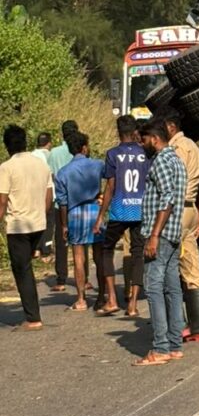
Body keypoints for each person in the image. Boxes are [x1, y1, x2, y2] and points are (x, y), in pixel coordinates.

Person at [153, 105, 199, 341]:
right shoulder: (194, 148)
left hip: (176, 211)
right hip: (191, 209)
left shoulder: (175, 149)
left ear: (171, 126)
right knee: (193, 268)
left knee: (170, 268)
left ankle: (180, 325)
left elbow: (169, 188)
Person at [135, 118, 186, 366]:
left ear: (154, 139)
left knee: (153, 288)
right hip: (173, 232)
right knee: (172, 288)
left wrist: (154, 235)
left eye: (143, 140)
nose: (142, 145)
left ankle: (161, 347)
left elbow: (167, 199)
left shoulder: (162, 161)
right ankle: (174, 344)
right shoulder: (176, 160)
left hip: (161, 234)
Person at [93, 115, 151, 317]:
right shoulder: (145, 153)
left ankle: (112, 299)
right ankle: (133, 304)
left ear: (118, 132)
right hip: (140, 209)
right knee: (138, 254)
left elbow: (110, 186)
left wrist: (101, 215)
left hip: (119, 210)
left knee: (106, 249)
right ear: (135, 131)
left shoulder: (113, 154)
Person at [0, 125, 53, 329]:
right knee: (27, 267)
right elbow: (48, 197)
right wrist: (41, 214)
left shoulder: (6, 168)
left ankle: (33, 318)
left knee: (22, 271)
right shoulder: (41, 164)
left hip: (18, 226)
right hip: (38, 223)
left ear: (7, 145)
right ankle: (32, 314)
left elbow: (3, 202)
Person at [54, 131, 106, 312]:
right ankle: (101, 297)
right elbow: (112, 178)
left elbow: (62, 202)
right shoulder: (98, 165)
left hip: (75, 214)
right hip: (95, 211)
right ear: (84, 147)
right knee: (99, 257)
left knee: (78, 258)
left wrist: (64, 224)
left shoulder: (63, 173)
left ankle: (81, 299)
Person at [48, 120, 78, 291]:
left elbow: (51, 175)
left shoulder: (54, 152)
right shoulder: (81, 149)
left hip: (61, 203)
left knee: (61, 241)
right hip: (79, 201)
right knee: (80, 242)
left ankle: (61, 279)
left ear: (62, 134)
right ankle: (85, 278)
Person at [31, 132, 54, 260]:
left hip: (34, 194)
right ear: (49, 143)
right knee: (48, 223)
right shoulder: (50, 156)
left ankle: (36, 249)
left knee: (36, 222)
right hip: (48, 193)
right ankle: (46, 250)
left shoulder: (31, 155)